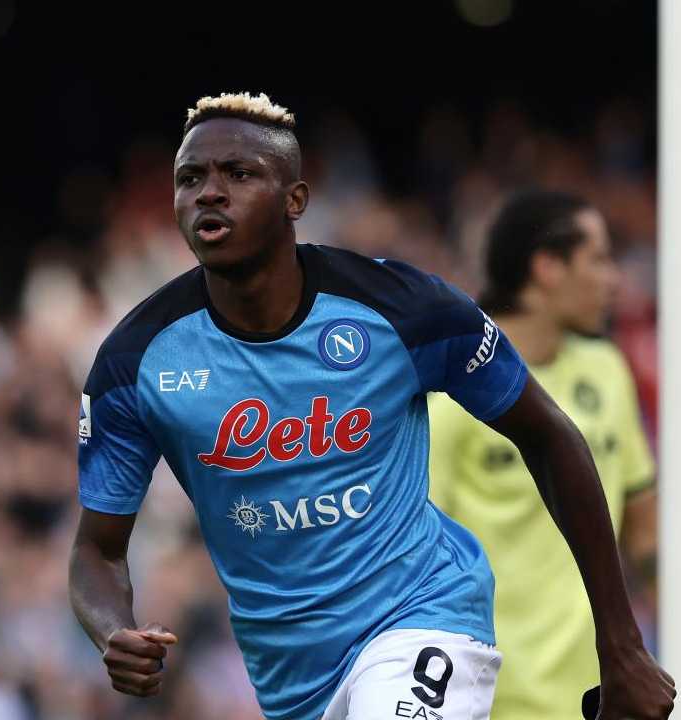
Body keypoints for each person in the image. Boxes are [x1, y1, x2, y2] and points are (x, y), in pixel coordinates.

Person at [66, 92, 675, 720]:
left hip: (424, 617)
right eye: (190, 178)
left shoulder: (404, 309)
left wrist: (622, 645)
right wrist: (112, 630)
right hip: (290, 680)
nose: (209, 193)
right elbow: (97, 549)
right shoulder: (134, 362)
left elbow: (548, 434)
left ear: (295, 200)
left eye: (239, 174)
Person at [427, 191, 658, 719]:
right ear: (548, 267)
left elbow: (645, 531)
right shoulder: (450, 394)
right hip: (488, 695)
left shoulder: (607, 369)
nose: (614, 280)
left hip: (602, 692)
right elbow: (421, 554)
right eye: (599, 259)